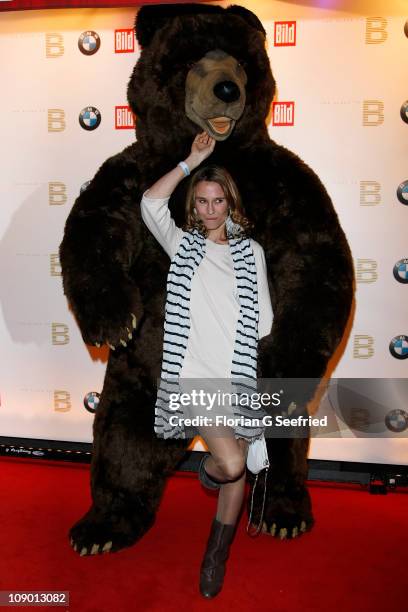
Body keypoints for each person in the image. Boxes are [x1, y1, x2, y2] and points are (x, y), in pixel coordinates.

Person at [140, 131, 273, 599]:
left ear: (230, 203)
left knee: (236, 468)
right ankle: (209, 471)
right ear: (193, 207)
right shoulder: (182, 247)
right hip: (194, 375)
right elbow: (151, 204)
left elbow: (264, 322)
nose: (211, 208)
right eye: (202, 201)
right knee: (232, 462)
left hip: (234, 378)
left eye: (218, 200)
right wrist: (190, 160)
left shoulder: (250, 253)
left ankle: (216, 555)